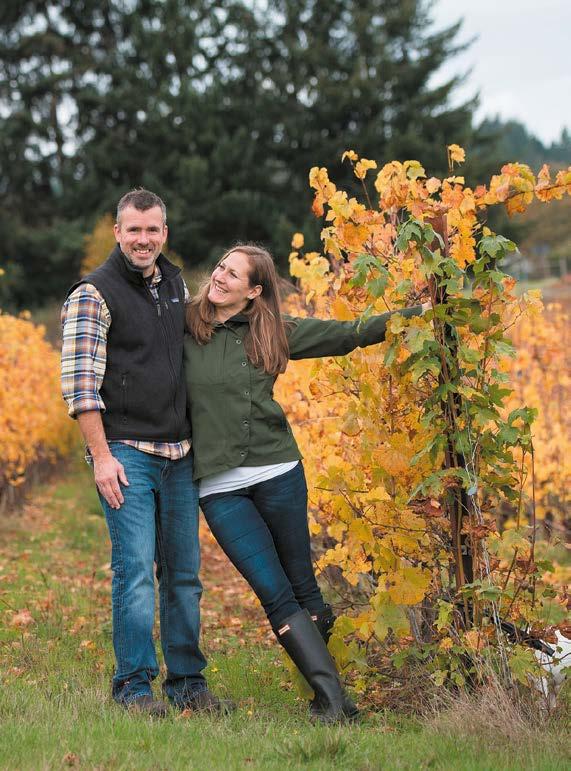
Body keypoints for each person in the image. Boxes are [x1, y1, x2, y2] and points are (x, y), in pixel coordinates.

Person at [184, 243, 427, 723]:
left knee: (303, 588)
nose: (220, 277)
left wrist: (417, 315)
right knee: (272, 590)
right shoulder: (186, 325)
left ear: (254, 291)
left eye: (233, 274)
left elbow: (348, 334)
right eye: (220, 268)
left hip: (277, 472)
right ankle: (333, 698)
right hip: (218, 486)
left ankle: (332, 700)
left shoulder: (273, 330)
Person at [61, 189, 230, 716]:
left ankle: (188, 685)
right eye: (133, 229)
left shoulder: (175, 284)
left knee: (183, 575)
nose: (143, 239)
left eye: (152, 229)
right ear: (117, 233)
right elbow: (80, 386)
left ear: (164, 233)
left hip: (180, 454)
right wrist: (101, 457)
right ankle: (133, 688)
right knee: (134, 572)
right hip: (126, 454)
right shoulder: (94, 293)